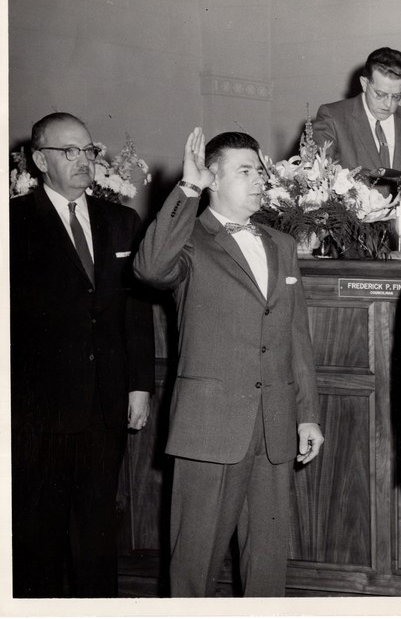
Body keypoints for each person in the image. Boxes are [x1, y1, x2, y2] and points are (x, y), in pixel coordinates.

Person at [133, 128, 324, 596]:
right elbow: (150, 268)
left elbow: (296, 338)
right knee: (194, 563)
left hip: (274, 426)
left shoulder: (281, 244)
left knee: (267, 564)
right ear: (213, 179)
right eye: (245, 171)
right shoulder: (189, 238)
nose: (259, 178)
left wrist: (307, 415)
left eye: (259, 170)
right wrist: (187, 189)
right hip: (211, 427)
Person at [10, 112, 154, 597]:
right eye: (68, 151)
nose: (83, 160)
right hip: (37, 409)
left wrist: (138, 386)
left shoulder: (121, 221)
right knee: (37, 535)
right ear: (38, 160)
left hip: (105, 403)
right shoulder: (14, 225)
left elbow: (134, 313)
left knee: (97, 529)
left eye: (89, 151)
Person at [313, 46, 401, 181]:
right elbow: (320, 179)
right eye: (380, 94)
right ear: (364, 84)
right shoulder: (332, 117)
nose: (388, 104)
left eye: (396, 96)